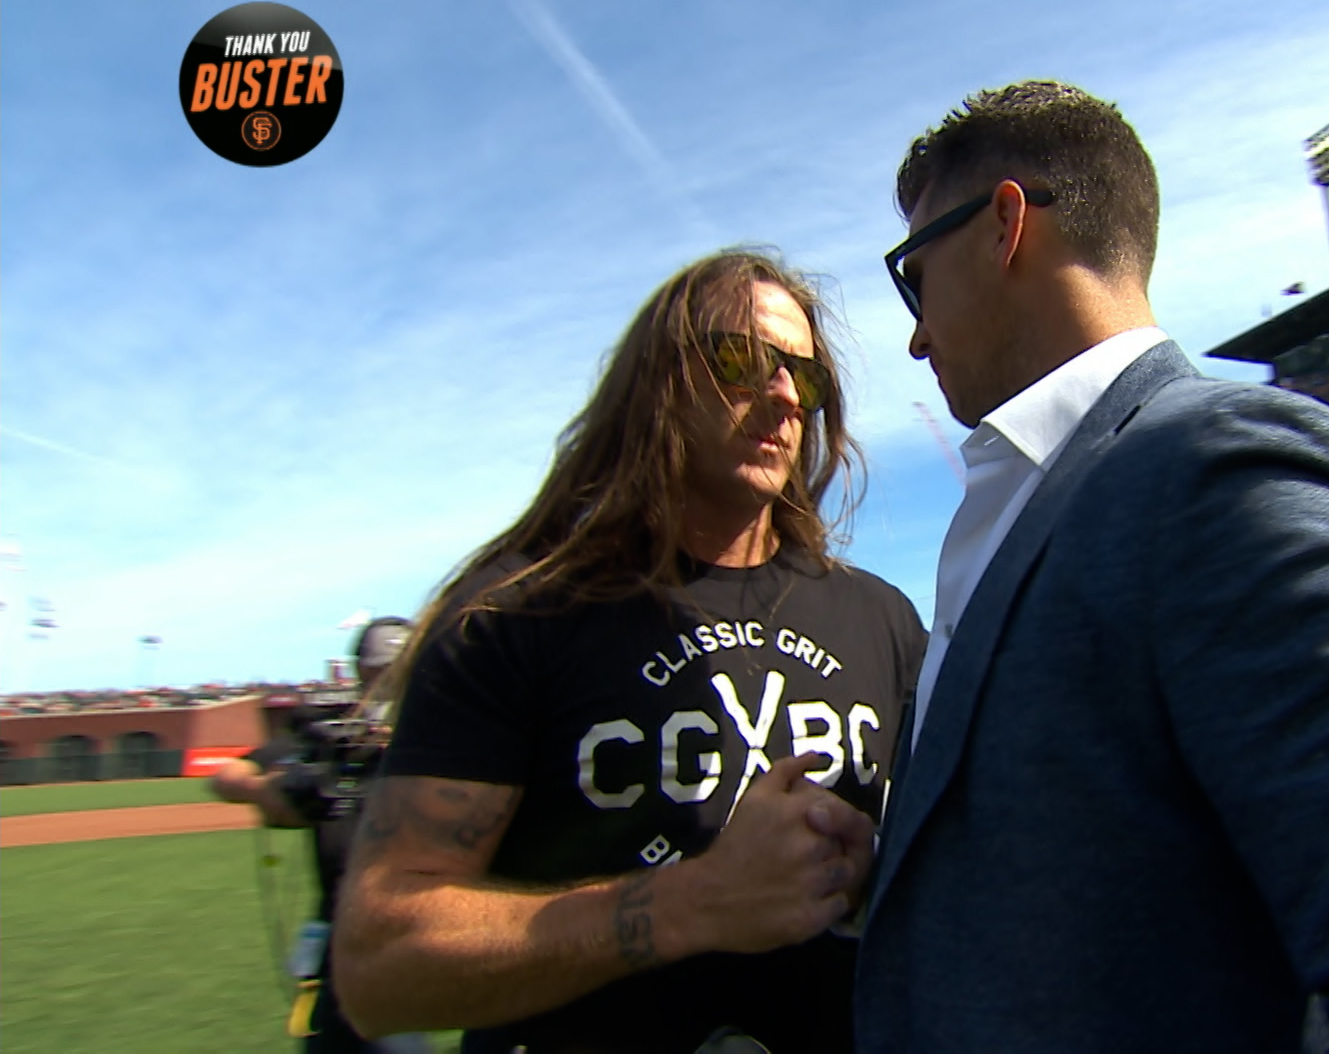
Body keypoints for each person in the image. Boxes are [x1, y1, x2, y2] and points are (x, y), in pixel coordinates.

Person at [855, 81, 1329, 1051]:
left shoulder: (1223, 470)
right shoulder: (1048, 496)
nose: (916, 333)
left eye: (912, 277)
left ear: (1004, 226)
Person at [331, 249, 925, 1054]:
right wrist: (694, 902)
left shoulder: (884, 622)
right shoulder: (518, 615)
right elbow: (379, 969)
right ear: (658, 381)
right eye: (740, 360)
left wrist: (874, 871)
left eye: (805, 377)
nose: (784, 394)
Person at [210, 617, 430, 1053]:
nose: (387, 682)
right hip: (339, 922)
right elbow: (227, 777)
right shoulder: (330, 729)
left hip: (420, 916)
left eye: (399, 668)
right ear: (358, 672)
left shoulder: (444, 725)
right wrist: (275, 791)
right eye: (377, 670)